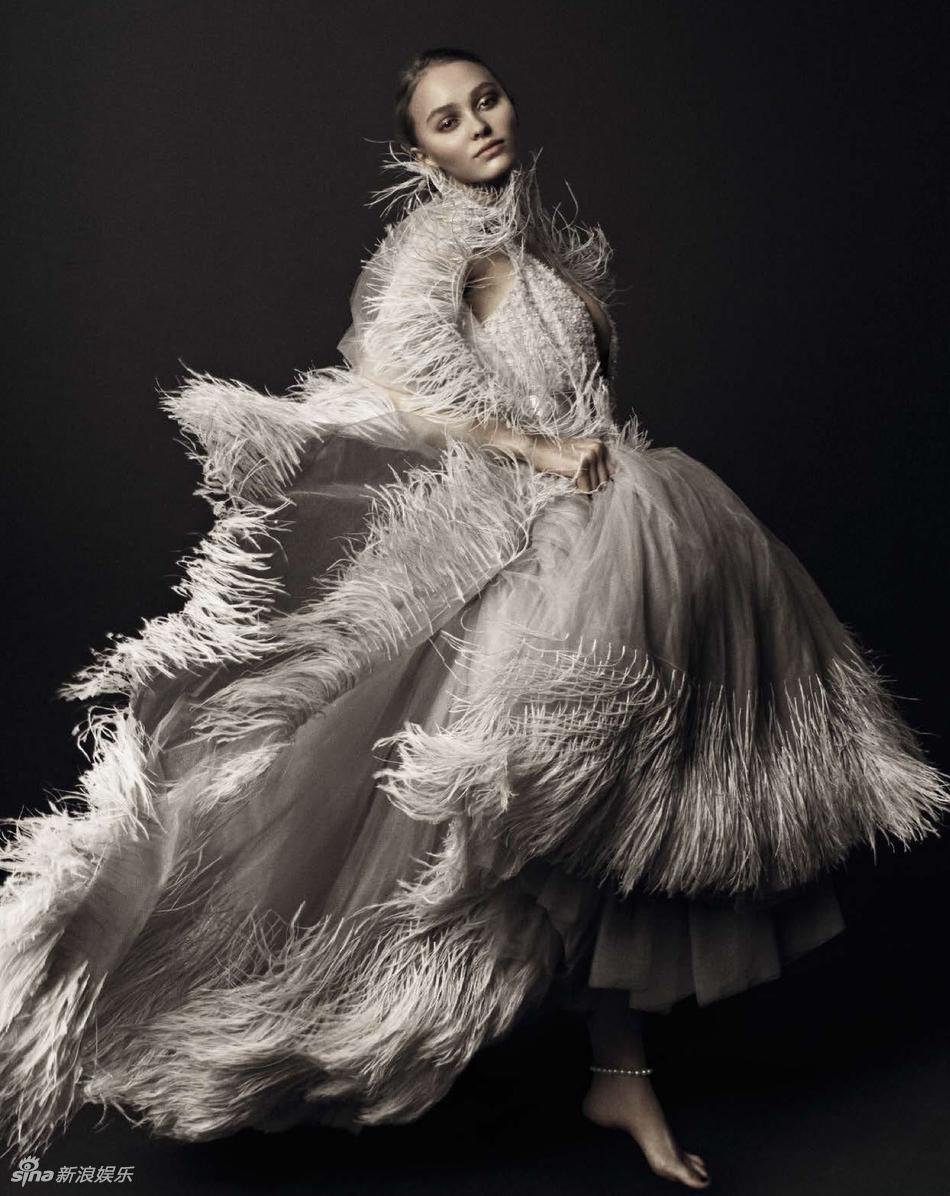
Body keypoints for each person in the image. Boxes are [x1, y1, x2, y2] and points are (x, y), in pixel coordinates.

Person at [1, 46, 947, 1191]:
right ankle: (457, 1041)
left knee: (625, 804)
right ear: (418, 152)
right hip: (560, 547)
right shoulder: (439, 244)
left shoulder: (529, 242)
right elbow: (404, 384)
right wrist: (535, 448)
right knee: (545, 809)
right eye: (445, 119)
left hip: (638, 525)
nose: (477, 124)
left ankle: (620, 1070)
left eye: (485, 99)